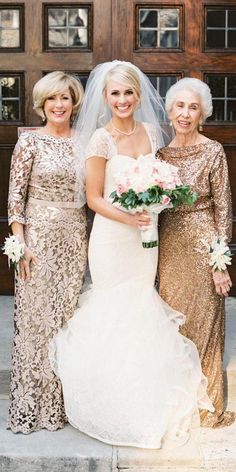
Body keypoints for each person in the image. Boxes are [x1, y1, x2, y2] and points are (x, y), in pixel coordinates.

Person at [49, 61, 214, 449]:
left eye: (128, 92)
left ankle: (143, 398)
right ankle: (109, 403)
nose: (122, 100)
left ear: (138, 96)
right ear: (105, 98)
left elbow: (162, 180)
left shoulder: (153, 132)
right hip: (112, 238)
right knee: (114, 309)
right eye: (114, 93)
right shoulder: (100, 140)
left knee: (142, 305)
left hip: (147, 235)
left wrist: (155, 204)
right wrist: (129, 215)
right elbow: (93, 198)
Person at [7, 71, 88, 433]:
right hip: (37, 241)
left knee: (67, 321)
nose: (59, 105)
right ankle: (31, 405)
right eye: (52, 99)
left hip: (75, 238)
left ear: (74, 103)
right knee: (36, 322)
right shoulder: (30, 142)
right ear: (42, 104)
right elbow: (15, 197)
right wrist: (19, 242)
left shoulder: (85, 142)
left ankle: (62, 405)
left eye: (65, 98)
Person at [157, 77, 235, 428]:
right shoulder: (159, 156)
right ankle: (180, 404)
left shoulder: (213, 150)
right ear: (170, 110)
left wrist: (220, 263)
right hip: (169, 248)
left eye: (193, 107)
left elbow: (224, 209)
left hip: (205, 245)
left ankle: (209, 407)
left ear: (202, 112)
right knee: (175, 328)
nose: (185, 114)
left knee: (206, 326)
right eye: (179, 106)